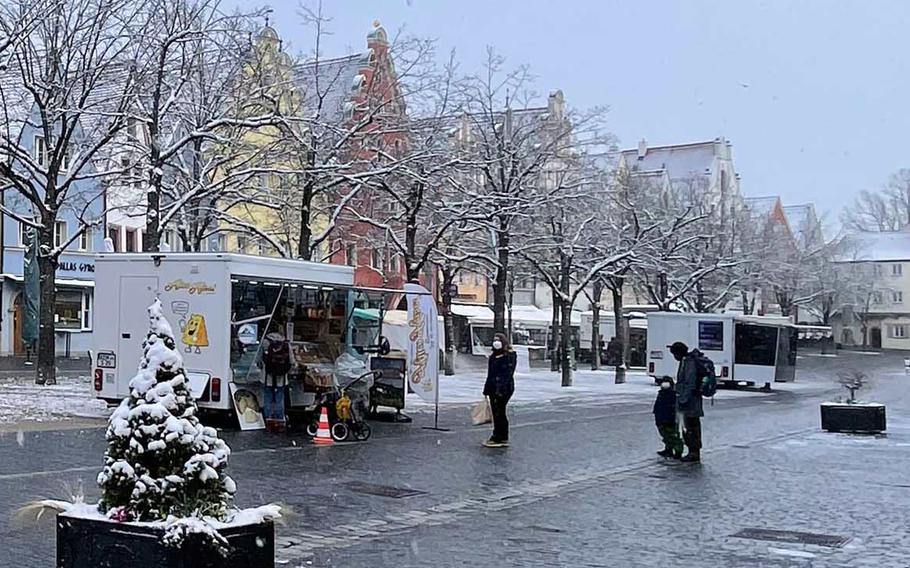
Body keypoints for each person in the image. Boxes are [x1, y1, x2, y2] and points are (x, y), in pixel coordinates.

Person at [669, 341, 710, 462]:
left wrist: (683, 399)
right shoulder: (686, 361)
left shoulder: (689, 362)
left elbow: (689, 382)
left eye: (674, 354)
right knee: (689, 426)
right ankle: (692, 450)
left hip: (691, 401)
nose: (674, 357)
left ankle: (694, 452)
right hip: (689, 399)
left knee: (691, 426)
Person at [482, 332, 516, 448]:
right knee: (496, 413)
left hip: (503, 389)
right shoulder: (494, 355)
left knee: (500, 412)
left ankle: (500, 436)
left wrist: (500, 389)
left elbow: (507, 374)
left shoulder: (508, 356)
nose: (496, 342)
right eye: (494, 339)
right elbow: (490, 374)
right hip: (493, 388)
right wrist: (487, 389)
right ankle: (498, 435)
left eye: (498, 340)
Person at [260, 317, 292, 432]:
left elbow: (259, 359)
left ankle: (268, 419)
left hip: (267, 375)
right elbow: (292, 361)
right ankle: (280, 420)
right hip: (282, 377)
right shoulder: (285, 342)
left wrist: (262, 368)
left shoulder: (265, 341)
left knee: (268, 397)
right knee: (279, 398)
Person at [653, 376, 683, 459]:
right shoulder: (661, 393)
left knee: (673, 435)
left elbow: (675, 407)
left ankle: (678, 451)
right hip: (661, 418)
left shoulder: (673, 395)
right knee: (665, 435)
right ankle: (668, 449)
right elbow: (658, 406)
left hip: (670, 419)